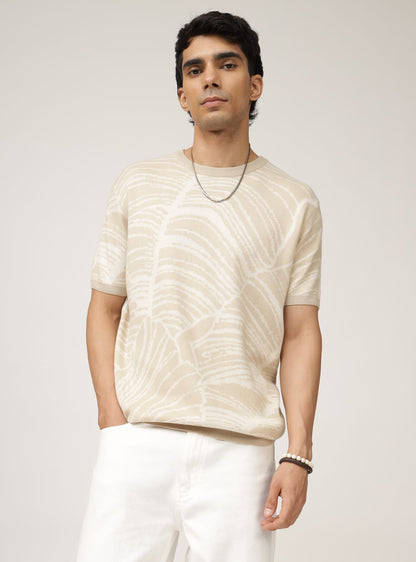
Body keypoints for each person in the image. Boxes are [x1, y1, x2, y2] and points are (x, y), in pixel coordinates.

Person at [76, 10, 323, 562]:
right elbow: (104, 308)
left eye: (227, 64)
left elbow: (301, 332)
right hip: (139, 442)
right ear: (182, 96)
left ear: (254, 85)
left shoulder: (295, 201)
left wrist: (298, 454)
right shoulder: (138, 184)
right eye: (195, 69)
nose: (210, 78)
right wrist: (112, 419)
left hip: (240, 454)